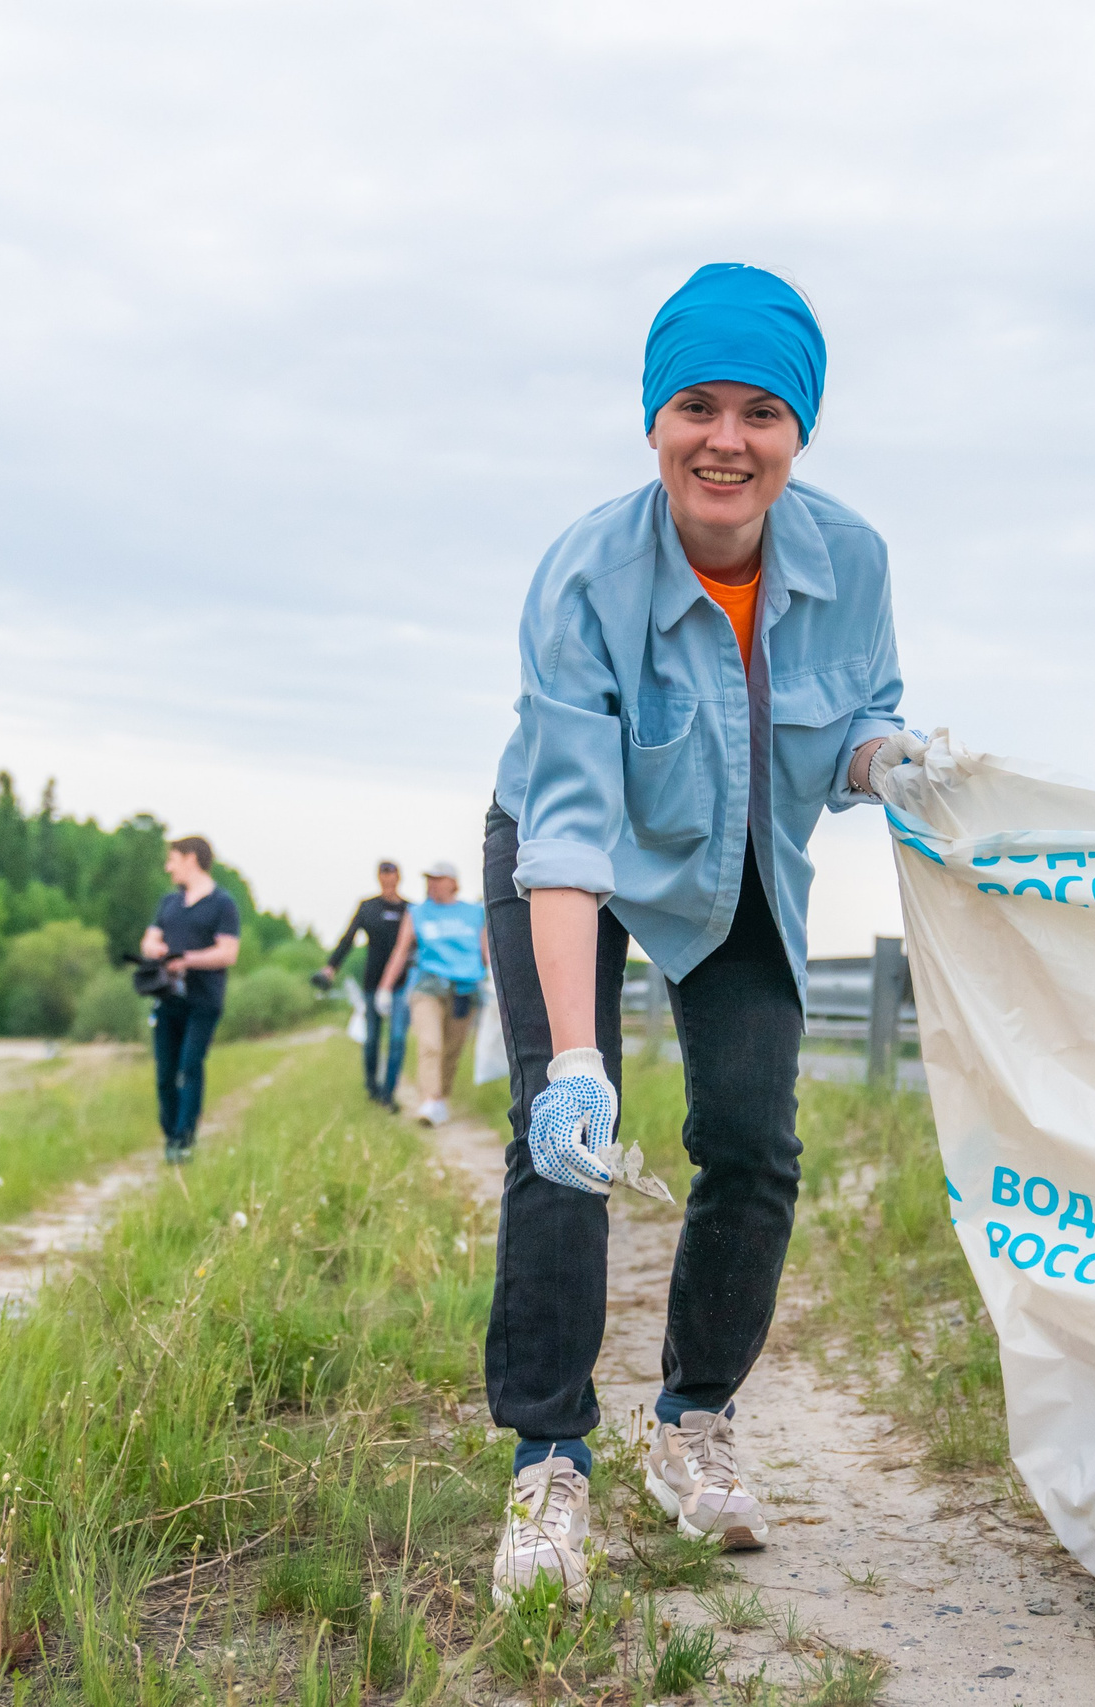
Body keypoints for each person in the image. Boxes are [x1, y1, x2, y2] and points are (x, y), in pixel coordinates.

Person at [482, 264, 907, 1605]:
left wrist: (885, 760)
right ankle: (550, 1457)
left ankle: (692, 1420)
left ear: (802, 433)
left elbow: (860, 719)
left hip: (732, 870)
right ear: (654, 421)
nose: (728, 437)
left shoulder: (854, 563)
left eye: (763, 411)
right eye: (698, 406)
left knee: (755, 1138)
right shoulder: (586, 576)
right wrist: (573, 1058)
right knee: (567, 1143)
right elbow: (563, 832)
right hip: (577, 860)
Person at [138, 835, 241, 1163]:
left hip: (204, 999)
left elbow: (228, 953)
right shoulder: (169, 903)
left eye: (173, 860)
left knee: (190, 1065)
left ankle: (185, 1138)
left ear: (192, 859)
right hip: (168, 998)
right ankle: (170, 1134)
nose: (169, 868)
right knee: (165, 1072)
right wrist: (155, 950)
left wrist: (187, 960)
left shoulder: (223, 904)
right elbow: (150, 939)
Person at [377, 860, 485, 1127]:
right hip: (428, 987)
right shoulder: (417, 913)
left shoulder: (474, 913)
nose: (432, 884)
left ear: (453, 882)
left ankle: (441, 1099)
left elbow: (486, 951)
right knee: (430, 1044)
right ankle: (429, 1100)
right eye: (429, 879)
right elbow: (401, 952)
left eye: (438, 879)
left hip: (465, 990)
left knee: (451, 1051)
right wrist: (385, 988)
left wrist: (495, 978)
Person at [315, 860, 413, 1107]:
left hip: (401, 985)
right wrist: (330, 968)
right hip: (372, 983)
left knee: (398, 1039)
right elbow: (348, 939)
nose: (387, 879)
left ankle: (389, 1093)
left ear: (398, 877)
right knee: (371, 1040)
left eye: (391, 874)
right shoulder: (367, 907)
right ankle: (372, 1085)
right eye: (383, 874)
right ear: (378, 878)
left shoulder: (410, 910)